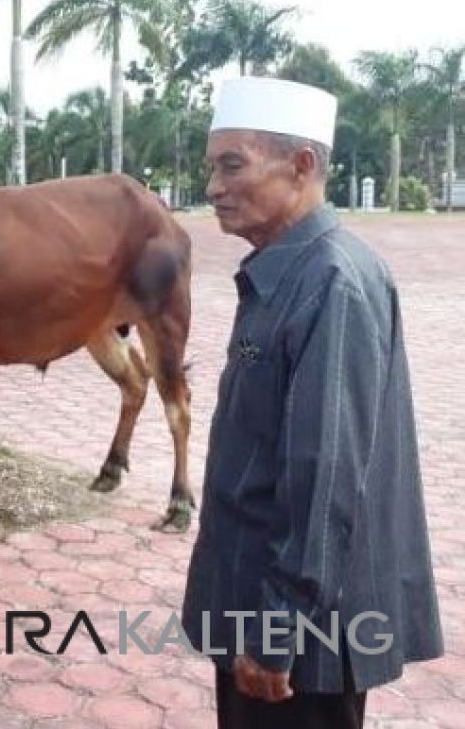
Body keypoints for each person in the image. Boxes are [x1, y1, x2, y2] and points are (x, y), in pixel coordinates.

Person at [181, 76, 443, 729]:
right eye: (212, 167)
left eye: (232, 165)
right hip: (263, 599)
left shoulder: (331, 284)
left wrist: (276, 632)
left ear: (301, 167)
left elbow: (324, 478)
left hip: (302, 638)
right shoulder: (288, 270)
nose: (213, 186)